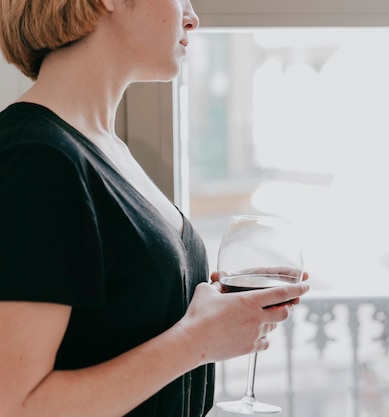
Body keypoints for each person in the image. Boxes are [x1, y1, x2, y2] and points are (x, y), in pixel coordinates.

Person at [0, 1, 310, 416]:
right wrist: (200, 339)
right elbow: (16, 406)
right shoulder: (36, 155)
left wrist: (210, 315)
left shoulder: (104, 151)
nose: (192, 17)